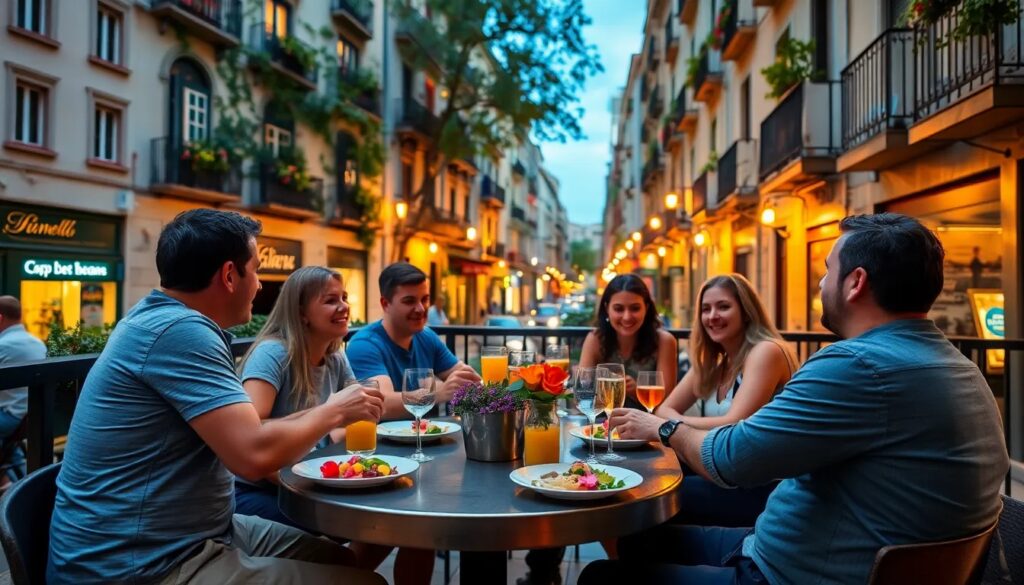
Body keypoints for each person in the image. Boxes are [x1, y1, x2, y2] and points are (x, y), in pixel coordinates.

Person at [581, 213, 1009, 584]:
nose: (821, 283)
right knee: (637, 541)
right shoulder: (960, 367)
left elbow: (730, 461)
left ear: (856, 282)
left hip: (786, 572)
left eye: (827, 270)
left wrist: (665, 428)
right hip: (798, 548)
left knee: (600, 575)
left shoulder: (854, 365)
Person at [48, 209, 386, 584]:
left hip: (201, 533)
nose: (259, 286)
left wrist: (330, 410)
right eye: (255, 270)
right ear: (228, 275)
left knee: (347, 562)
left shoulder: (167, 322)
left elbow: (252, 429)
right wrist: (335, 411)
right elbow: (253, 455)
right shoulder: (179, 331)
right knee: (367, 582)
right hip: (141, 564)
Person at [234, 266, 434, 584]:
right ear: (301, 312)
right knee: (389, 522)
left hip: (310, 479)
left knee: (411, 519)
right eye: (330, 300)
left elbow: (354, 416)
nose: (344, 307)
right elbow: (250, 431)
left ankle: (349, 574)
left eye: (344, 297)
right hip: (260, 490)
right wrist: (331, 418)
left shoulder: (335, 356)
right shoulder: (273, 353)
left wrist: (362, 420)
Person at [652, 273, 797, 527]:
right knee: (649, 476)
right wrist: (671, 425)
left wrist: (673, 427)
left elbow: (734, 423)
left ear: (746, 312)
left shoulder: (766, 351)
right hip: (724, 470)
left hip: (761, 488)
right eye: (705, 309)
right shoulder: (716, 362)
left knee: (657, 496)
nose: (712, 316)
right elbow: (663, 409)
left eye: (723, 306)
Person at [347, 262, 480, 419]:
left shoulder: (427, 336)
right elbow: (383, 404)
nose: (421, 308)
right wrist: (437, 393)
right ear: (385, 304)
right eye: (409, 301)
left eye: (425, 299)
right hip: (381, 435)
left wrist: (468, 383)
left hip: (426, 433)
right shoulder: (364, 344)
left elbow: (468, 379)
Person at [579, 274, 678, 410]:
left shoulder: (664, 341)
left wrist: (637, 392)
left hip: (648, 422)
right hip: (602, 421)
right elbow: (582, 395)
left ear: (646, 307)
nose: (626, 317)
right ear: (607, 309)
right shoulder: (595, 339)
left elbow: (667, 405)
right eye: (619, 309)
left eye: (635, 308)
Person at [0, 296, 46, 486]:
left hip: (9, 418)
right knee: (11, 450)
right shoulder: (38, 343)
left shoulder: (3, 345)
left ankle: (4, 482)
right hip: (28, 417)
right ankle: (15, 484)